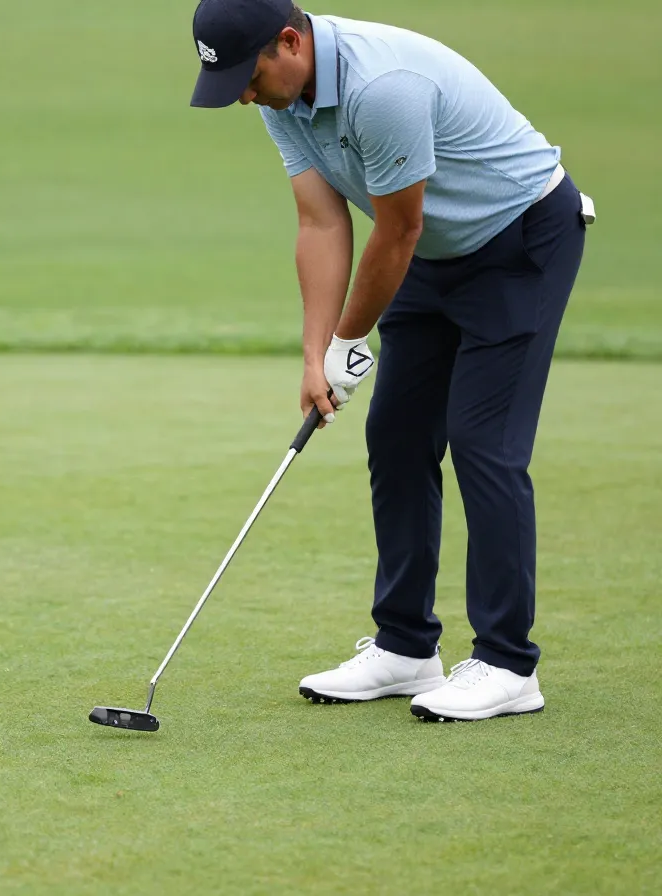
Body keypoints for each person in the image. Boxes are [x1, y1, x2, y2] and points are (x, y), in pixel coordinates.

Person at [190, 0, 594, 721]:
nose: (245, 96)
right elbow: (321, 222)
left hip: (518, 238)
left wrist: (352, 339)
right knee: (398, 436)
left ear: (290, 42)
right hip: (429, 249)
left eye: (249, 78)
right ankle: (406, 647)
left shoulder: (382, 87)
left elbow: (399, 228)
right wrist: (318, 354)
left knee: (484, 442)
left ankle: (508, 663)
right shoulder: (283, 94)